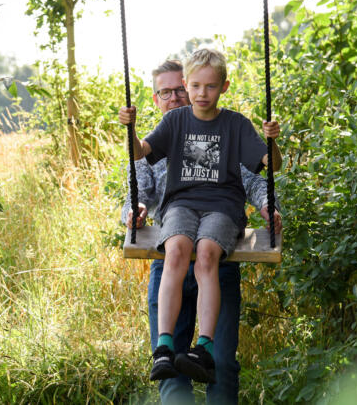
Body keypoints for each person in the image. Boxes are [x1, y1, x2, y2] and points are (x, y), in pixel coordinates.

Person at [118, 49, 281, 388]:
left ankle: (204, 348)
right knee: (171, 374)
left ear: (222, 87)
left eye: (182, 89)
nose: (189, 95)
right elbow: (137, 188)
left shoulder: (232, 126)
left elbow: (258, 176)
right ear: (160, 96)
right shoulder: (169, 128)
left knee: (221, 367)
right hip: (173, 252)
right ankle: (164, 348)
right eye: (170, 92)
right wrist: (135, 211)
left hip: (217, 243)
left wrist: (268, 203)